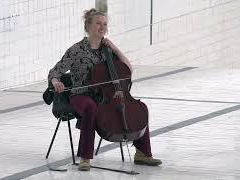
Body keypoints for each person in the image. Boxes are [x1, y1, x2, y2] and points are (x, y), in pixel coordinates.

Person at [48, 8, 162, 171]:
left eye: (105, 24)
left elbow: (128, 69)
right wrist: (55, 81)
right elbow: (55, 71)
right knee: (89, 106)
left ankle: (143, 153)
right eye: (98, 24)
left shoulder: (107, 50)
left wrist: (115, 49)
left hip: (106, 95)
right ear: (88, 26)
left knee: (140, 108)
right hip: (81, 95)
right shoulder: (76, 50)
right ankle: (85, 158)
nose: (102, 27)